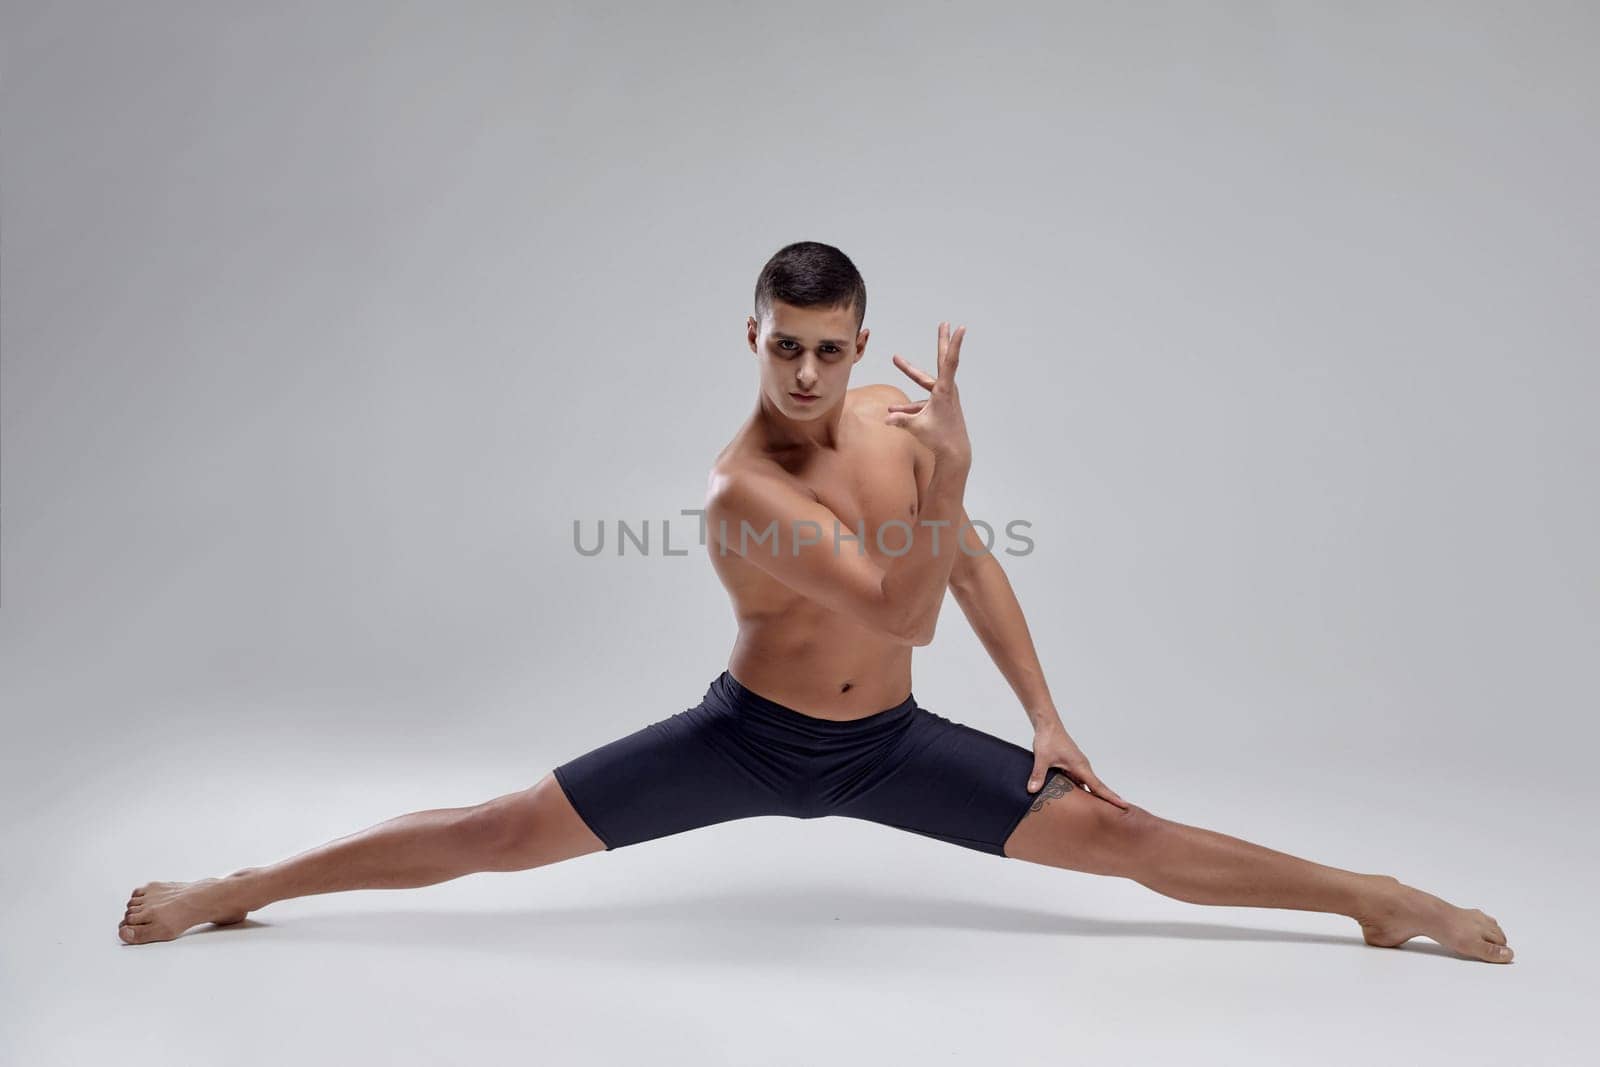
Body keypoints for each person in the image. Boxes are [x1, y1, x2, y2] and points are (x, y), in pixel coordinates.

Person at [117, 241, 1512, 963]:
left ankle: (1375, 903)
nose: (805, 375)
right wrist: (959, 469)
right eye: (785, 347)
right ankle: (230, 893)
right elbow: (899, 608)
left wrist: (1045, 712)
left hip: (893, 747)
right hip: (747, 739)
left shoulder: (898, 433)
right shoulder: (740, 489)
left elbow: (960, 571)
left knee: (1126, 837)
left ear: (858, 341)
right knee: (494, 830)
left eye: (830, 350)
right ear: (753, 335)